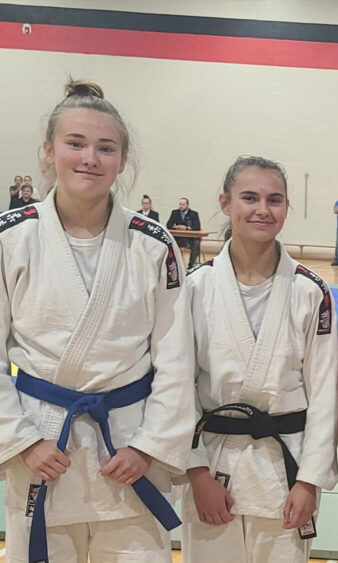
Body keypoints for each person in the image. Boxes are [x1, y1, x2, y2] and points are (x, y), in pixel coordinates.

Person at [0, 80, 194, 563]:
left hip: (127, 447)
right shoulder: (12, 237)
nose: (90, 158)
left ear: (122, 160)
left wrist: (149, 447)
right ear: (48, 151)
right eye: (75, 144)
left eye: (106, 148)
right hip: (44, 446)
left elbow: (177, 358)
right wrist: (22, 440)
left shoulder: (153, 243)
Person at [182, 156, 338, 563]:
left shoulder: (310, 290)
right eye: (249, 197)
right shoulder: (196, 287)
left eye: (275, 200)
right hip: (212, 468)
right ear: (225, 202)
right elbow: (176, 387)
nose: (262, 210)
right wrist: (195, 472)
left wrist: (309, 481)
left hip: (283, 472)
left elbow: (325, 394)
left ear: (286, 208)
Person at [166, 197, 203, 269]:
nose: (181, 206)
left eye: (183, 204)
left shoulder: (193, 214)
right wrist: (176, 227)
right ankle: (173, 264)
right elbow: (168, 225)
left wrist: (187, 228)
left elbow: (197, 226)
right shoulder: (175, 213)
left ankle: (191, 265)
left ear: (187, 205)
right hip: (178, 239)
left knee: (196, 243)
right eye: (180, 204)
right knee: (168, 242)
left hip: (189, 239)